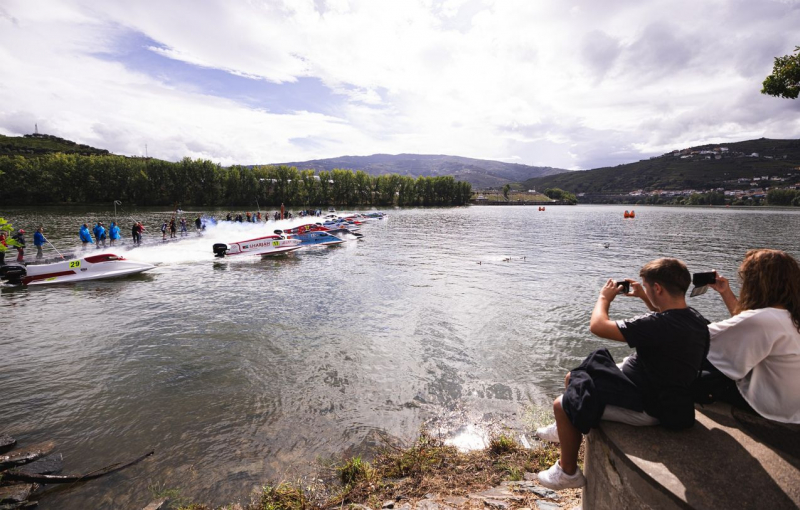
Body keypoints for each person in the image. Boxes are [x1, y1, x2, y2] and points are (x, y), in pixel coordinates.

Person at [535, 258, 709, 490]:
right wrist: (644, 296)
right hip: (661, 391)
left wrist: (604, 298)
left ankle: (568, 473)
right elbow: (665, 317)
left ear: (658, 288)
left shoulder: (654, 325)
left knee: (562, 404)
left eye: (648, 287)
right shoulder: (695, 318)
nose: (645, 290)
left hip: (650, 406)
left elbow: (598, 325)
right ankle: (566, 428)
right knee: (575, 376)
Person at [695, 249, 800, 424]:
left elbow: (697, 336)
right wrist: (725, 292)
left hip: (772, 405)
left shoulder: (763, 320)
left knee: (696, 364)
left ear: (756, 284)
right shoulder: (789, 313)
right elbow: (745, 323)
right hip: (793, 403)